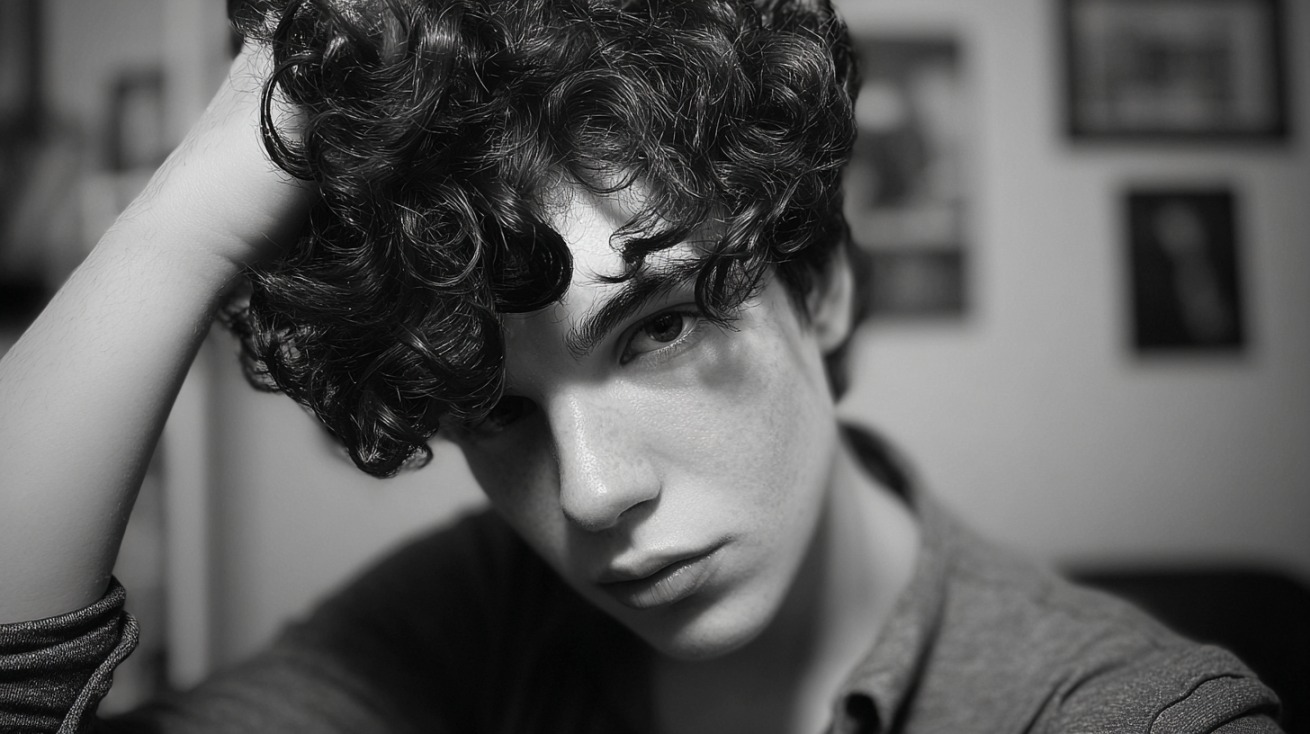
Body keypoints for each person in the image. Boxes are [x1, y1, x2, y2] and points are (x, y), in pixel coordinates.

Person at [0, 0, 1284, 732]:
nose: (593, 492)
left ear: (818, 286)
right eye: (498, 411)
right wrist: (197, 208)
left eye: (656, 326)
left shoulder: (1126, 712)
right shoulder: (473, 623)